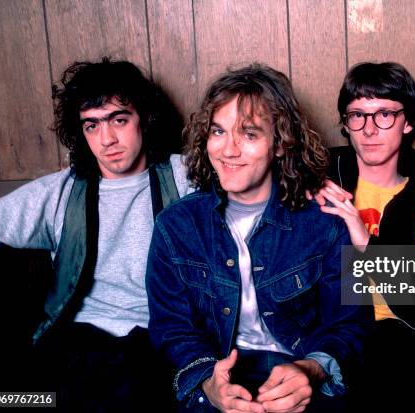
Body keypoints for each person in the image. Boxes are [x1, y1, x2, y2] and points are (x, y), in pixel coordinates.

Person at [145, 64, 372, 413]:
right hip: (216, 377)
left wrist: (309, 370)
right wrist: (207, 381)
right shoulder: (176, 226)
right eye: (218, 132)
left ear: (280, 144)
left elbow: (349, 324)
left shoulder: (323, 222)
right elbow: (171, 328)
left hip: (300, 375)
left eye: (249, 135)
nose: (229, 150)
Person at [0, 58, 192, 411]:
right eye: (92, 126)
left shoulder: (183, 175)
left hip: (158, 340)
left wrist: (309, 189)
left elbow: (254, 183)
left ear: (145, 119)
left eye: (119, 120)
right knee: (5, 401)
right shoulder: (62, 191)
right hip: (78, 342)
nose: (107, 139)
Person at [315, 62, 415, 403]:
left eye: (384, 115)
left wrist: (364, 241)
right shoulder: (318, 175)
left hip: (408, 335)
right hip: (335, 333)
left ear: (409, 123)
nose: (369, 129)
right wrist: (301, 185)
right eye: (357, 115)